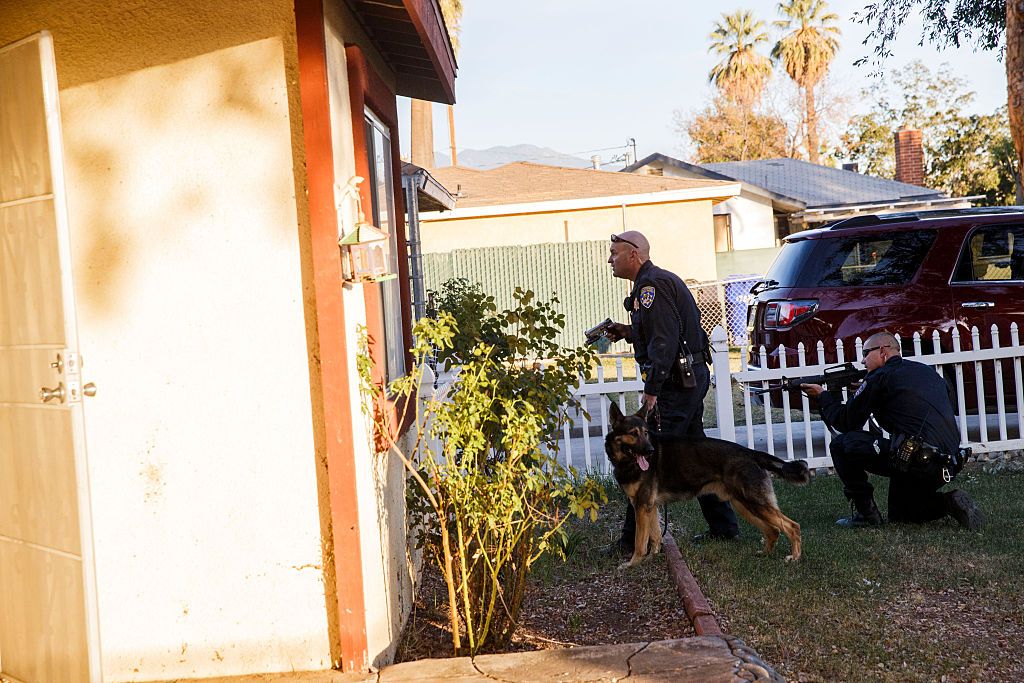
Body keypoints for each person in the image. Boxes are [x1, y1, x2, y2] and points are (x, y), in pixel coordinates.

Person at [603, 230, 740, 552]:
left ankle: (629, 543)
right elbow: (661, 333)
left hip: (677, 383)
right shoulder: (652, 283)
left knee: (647, 456)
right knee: (698, 452)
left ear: (634, 254)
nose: (610, 259)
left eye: (614, 253)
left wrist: (653, 390)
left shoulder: (650, 286)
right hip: (686, 379)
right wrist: (629, 331)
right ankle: (724, 527)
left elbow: (664, 342)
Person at [801, 332, 983, 530]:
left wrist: (823, 397)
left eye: (865, 353)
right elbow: (910, 410)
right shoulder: (927, 372)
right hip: (949, 463)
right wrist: (870, 396)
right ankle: (951, 502)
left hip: (914, 460)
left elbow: (846, 422)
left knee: (841, 445)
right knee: (902, 515)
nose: (862, 361)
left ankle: (865, 514)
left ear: (882, 351)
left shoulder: (879, 377)